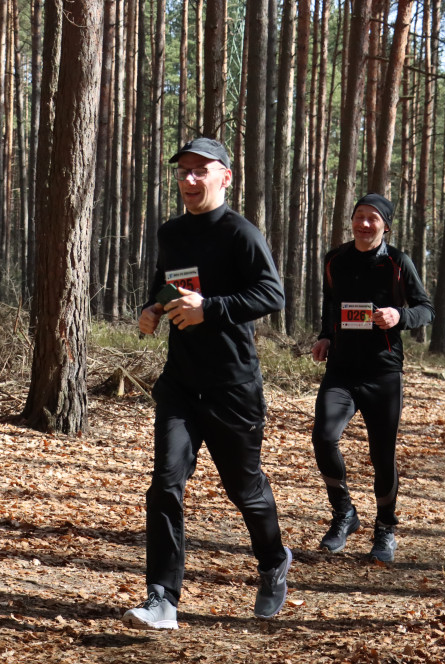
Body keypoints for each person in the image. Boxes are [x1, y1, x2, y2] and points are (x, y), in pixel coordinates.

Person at [122, 138, 292, 630]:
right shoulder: (172, 232)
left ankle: (274, 560)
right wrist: (154, 308)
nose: (190, 180)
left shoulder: (241, 233)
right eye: (183, 173)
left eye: (201, 171)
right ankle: (162, 600)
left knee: (245, 489)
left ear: (225, 177)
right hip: (181, 382)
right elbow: (167, 283)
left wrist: (210, 308)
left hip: (233, 385)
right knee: (165, 485)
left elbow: (272, 293)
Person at [310, 193, 433, 563]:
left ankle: (385, 529)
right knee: (323, 437)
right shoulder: (335, 259)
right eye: (359, 216)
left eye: (372, 218)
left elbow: (426, 309)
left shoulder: (397, 262)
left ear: (386, 225)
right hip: (342, 371)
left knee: (383, 455)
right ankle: (344, 514)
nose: (364, 223)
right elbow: (330, 302)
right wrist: (325, 335)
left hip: (383, 371)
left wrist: (400, 316)